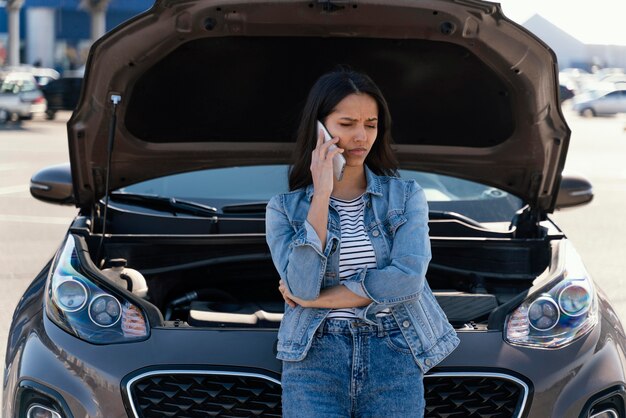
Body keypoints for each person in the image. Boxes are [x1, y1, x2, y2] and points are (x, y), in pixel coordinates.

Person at [265, 67, 460, 417]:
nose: (361, 136)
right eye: (347, 124)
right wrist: (322, 193)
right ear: (319, 128)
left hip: (395, 351)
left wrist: (318, 301)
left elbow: (408, 279)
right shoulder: (284, 209)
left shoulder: (405, 197)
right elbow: (301, 286)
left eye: (370, 125)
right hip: (314, 358)